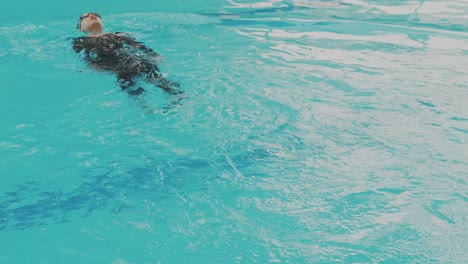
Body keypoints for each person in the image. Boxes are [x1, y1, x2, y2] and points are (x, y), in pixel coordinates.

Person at [72, 12, 181, 96]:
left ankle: (178, 95)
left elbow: (137, 45)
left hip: (136, 61)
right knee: (133, 89)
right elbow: (84, 56)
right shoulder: (80, 41)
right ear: (80, 27)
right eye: (85, 16)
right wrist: (92, 64)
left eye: (96, 15)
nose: (91, 15)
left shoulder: (118, 35)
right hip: (117, 68)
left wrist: (153, 55)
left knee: (159, 80)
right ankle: (146, 108)